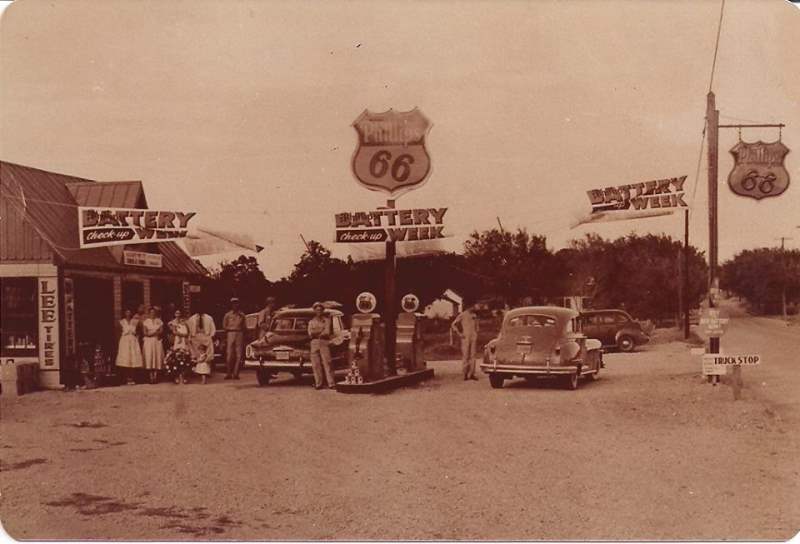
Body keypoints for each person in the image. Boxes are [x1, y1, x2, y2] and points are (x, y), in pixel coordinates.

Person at [308, 301, 336, 390]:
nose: (319, 312)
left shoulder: (326, 320)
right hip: (314, 343)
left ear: (323, 311)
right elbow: (310, 334)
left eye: (320, 310)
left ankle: (331, 383)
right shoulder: (311, 322)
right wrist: (319, 332)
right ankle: (318, 383)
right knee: (316, 364)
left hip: (324, 342)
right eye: (317, 310)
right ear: (314, 311)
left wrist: (317, 333)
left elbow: (326, 332)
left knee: (327, 362)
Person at [451, 303, 480, 381]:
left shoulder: (474, 315)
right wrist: (459, 333)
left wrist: (476, 332)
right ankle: (465, 374)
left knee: (473, 355)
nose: (473, 308)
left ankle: (472, 373)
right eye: (472, 306)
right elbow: (453, 324)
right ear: (468, 306)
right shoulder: (462, 315)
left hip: (473, 336)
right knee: (465, 355)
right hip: (465, 336)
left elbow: (477, 325)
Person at [116, 308, 144, 385]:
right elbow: (118, 333)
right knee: (126, 359)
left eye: (129, 312)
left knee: (133, 358)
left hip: (133, 341)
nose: (128, 313)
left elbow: (140, 331)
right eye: (126, 312)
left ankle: (133, 378)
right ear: (124, 313)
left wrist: (137, 336)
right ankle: (126, 378)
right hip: (125, 341)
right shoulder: (121, 322)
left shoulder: (135, 322)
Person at [188, 305, 217, 376]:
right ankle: (197, 370)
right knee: (197, 353)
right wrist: (190, 337)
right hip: (196, 336)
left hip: (205, 336)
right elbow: (189, 329)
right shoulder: (192, 318)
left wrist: (211, 336)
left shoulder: (209, 318)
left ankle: (207, 371)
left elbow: (213, 328)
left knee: (208, 353)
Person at [165, 309, 192, 384]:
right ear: (174, 314)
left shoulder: (184, 322)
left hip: (184, 341)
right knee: (176, 356)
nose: (178, 314)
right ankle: (176, 376)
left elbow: (188, 331)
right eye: (176, 313)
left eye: (179, 313)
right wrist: (182, 335)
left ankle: (184, 376)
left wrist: (185, 335)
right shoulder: (173, 322)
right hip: (177, 341)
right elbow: (174, 332)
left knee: (185, 357)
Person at [222, 297, 246, 380]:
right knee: (229, 354)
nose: (235, 305)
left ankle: (236, 373)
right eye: (233, 303)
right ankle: (228, 373)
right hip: (230, 333)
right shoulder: (227, 315)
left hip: (239, 333)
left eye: (236, 303)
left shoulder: (242, 315)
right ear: (231, 305)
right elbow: (224, 326)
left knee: (239, 354)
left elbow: (244, 326)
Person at [141, 307, 165, 384]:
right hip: (148, 342)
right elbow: (145, 332)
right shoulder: (146, 321)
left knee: (156, 356)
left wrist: (152, 333)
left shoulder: (159, 321)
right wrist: (154, 333)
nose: (152, 314)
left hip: (156, 341)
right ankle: (150, 377)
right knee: (150, 357)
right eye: (151, 312)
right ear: (149, 313)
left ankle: (155, 376)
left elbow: (161, 331)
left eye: (154, 312)